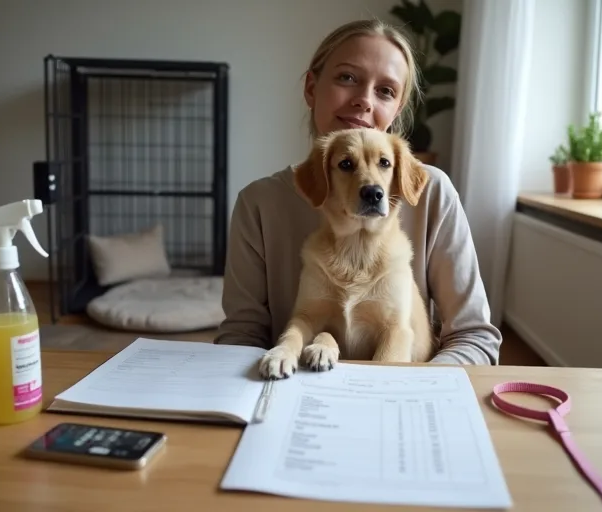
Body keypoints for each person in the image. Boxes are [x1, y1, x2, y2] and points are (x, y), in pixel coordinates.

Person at [213, 18, 502, 365]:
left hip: (402, 397)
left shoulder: (433, 191)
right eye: (347, 78)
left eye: (386, 91)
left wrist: (415, 389)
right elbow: (240, 338)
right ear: (311, 88)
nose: (365, 101)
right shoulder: (257, 203)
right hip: (295, 392)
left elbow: (475, 337)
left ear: (397, 108)